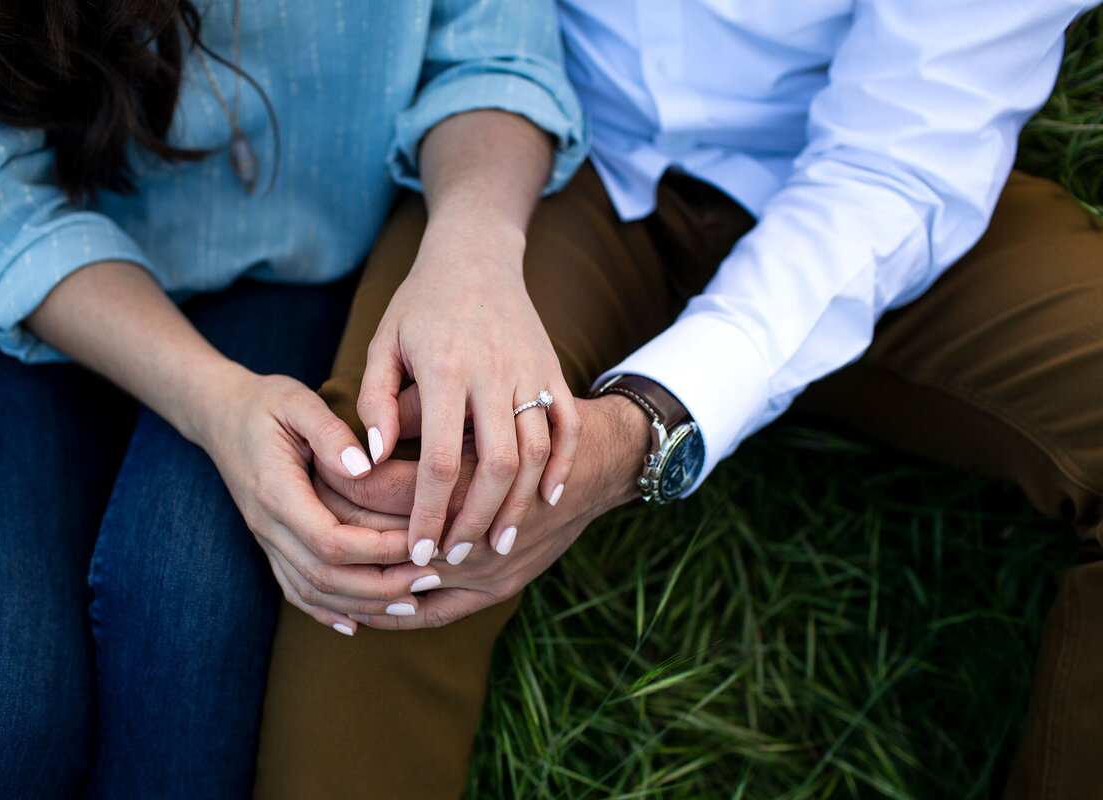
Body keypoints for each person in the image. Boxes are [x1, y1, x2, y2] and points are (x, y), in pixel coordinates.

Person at [253, 1, 1103, 798]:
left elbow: (905, 161)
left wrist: (642, 431)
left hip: (881, 195)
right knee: (402, 486)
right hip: (545, 138)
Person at [0, 1, 587, 796]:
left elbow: (493, 45)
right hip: (17, 261)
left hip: (296, 248)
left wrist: (473, 251)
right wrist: (215, 402)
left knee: (186, 595)